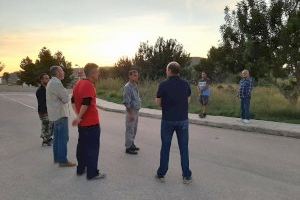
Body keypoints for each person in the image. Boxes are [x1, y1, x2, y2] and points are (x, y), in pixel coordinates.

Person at [155, 61, 192, 184]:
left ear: (169, 70)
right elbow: (188, 100)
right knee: (184, 148)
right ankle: (186, 175)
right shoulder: (186, 84)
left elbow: (158, 102)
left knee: (165, 147)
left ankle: (161, 174)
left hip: (168, 120)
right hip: (183, 120)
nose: (166, 72)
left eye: (166, 70)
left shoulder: (163, 85)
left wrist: (167, 105)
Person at [71, 63, 106, 180]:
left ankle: (81, 169)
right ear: (92, 73)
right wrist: (79, 116)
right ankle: (92, 173)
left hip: (83, 124)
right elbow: (86, 102)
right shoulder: (89, 85)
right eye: (98, 71)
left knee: (82, 146)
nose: (99, 73)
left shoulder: (79, 83)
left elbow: (72, 101)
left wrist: (78, 116)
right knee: (92, 148)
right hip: (91, 124)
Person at [46, 66, 76, 167]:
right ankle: (63, 160)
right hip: (60, 115)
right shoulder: (57, 83)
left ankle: (58, 158)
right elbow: (66, 99)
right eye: (62, 70)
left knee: (58, 138)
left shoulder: (51, 82)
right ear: (58, 72)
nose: (63, 72)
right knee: (63, 138)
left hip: (55, 115)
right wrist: (67, 94)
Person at [123, 69, 141, 155]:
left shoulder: (135, 85)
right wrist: (130, 114)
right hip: (131, 111)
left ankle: (132, 143)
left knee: (134, 129)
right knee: (130, 129)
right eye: (134, 75)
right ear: (129, 76)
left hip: (136, 110)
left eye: (137, 75)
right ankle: (128, 147)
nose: (137, 77)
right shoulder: (127, 87)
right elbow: (126, 102)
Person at [36, 73, 53, 146]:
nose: (48, 79)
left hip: (48, 111)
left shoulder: (47, 89)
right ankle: (46, 140)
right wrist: (44, 112)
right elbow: (42, 103)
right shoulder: (40, 90)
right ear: (41, 80)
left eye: (48, 78)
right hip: (44, 111)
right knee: (47, 125)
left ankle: (46, 139)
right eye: (46, 78)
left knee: (47, 125)